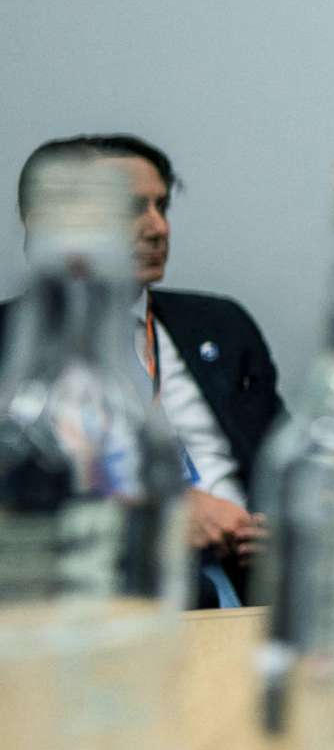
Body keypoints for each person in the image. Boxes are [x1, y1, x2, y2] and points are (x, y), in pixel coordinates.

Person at [5, 134, 280, 606]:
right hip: (101, 594)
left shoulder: (221, 325)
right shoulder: (13, 347)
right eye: (131, 208)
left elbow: (282, 457)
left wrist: (278, 528)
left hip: (256, 586)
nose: (158, 227)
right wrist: (162, 512)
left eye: (162, 206)